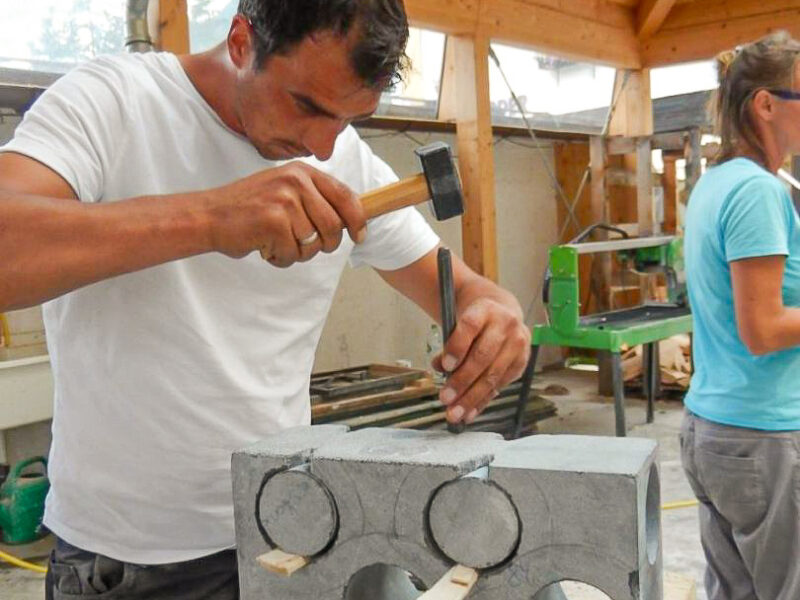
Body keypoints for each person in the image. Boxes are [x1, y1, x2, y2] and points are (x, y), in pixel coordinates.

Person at [0, 1, 531, 598]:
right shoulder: (112, 102)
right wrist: (210, 217)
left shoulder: (347, 160)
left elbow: (464, 289)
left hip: (289, 529)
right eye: (307, 105)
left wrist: (497, 314)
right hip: (129, 560)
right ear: (240, 41)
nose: (322, 147)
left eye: (349, 118)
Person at [681, 31, 800, 600]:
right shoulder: (758, 192)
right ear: (766, 104)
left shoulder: (718, 182)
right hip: (762, 436)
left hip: (717, 429)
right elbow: (763, 329)